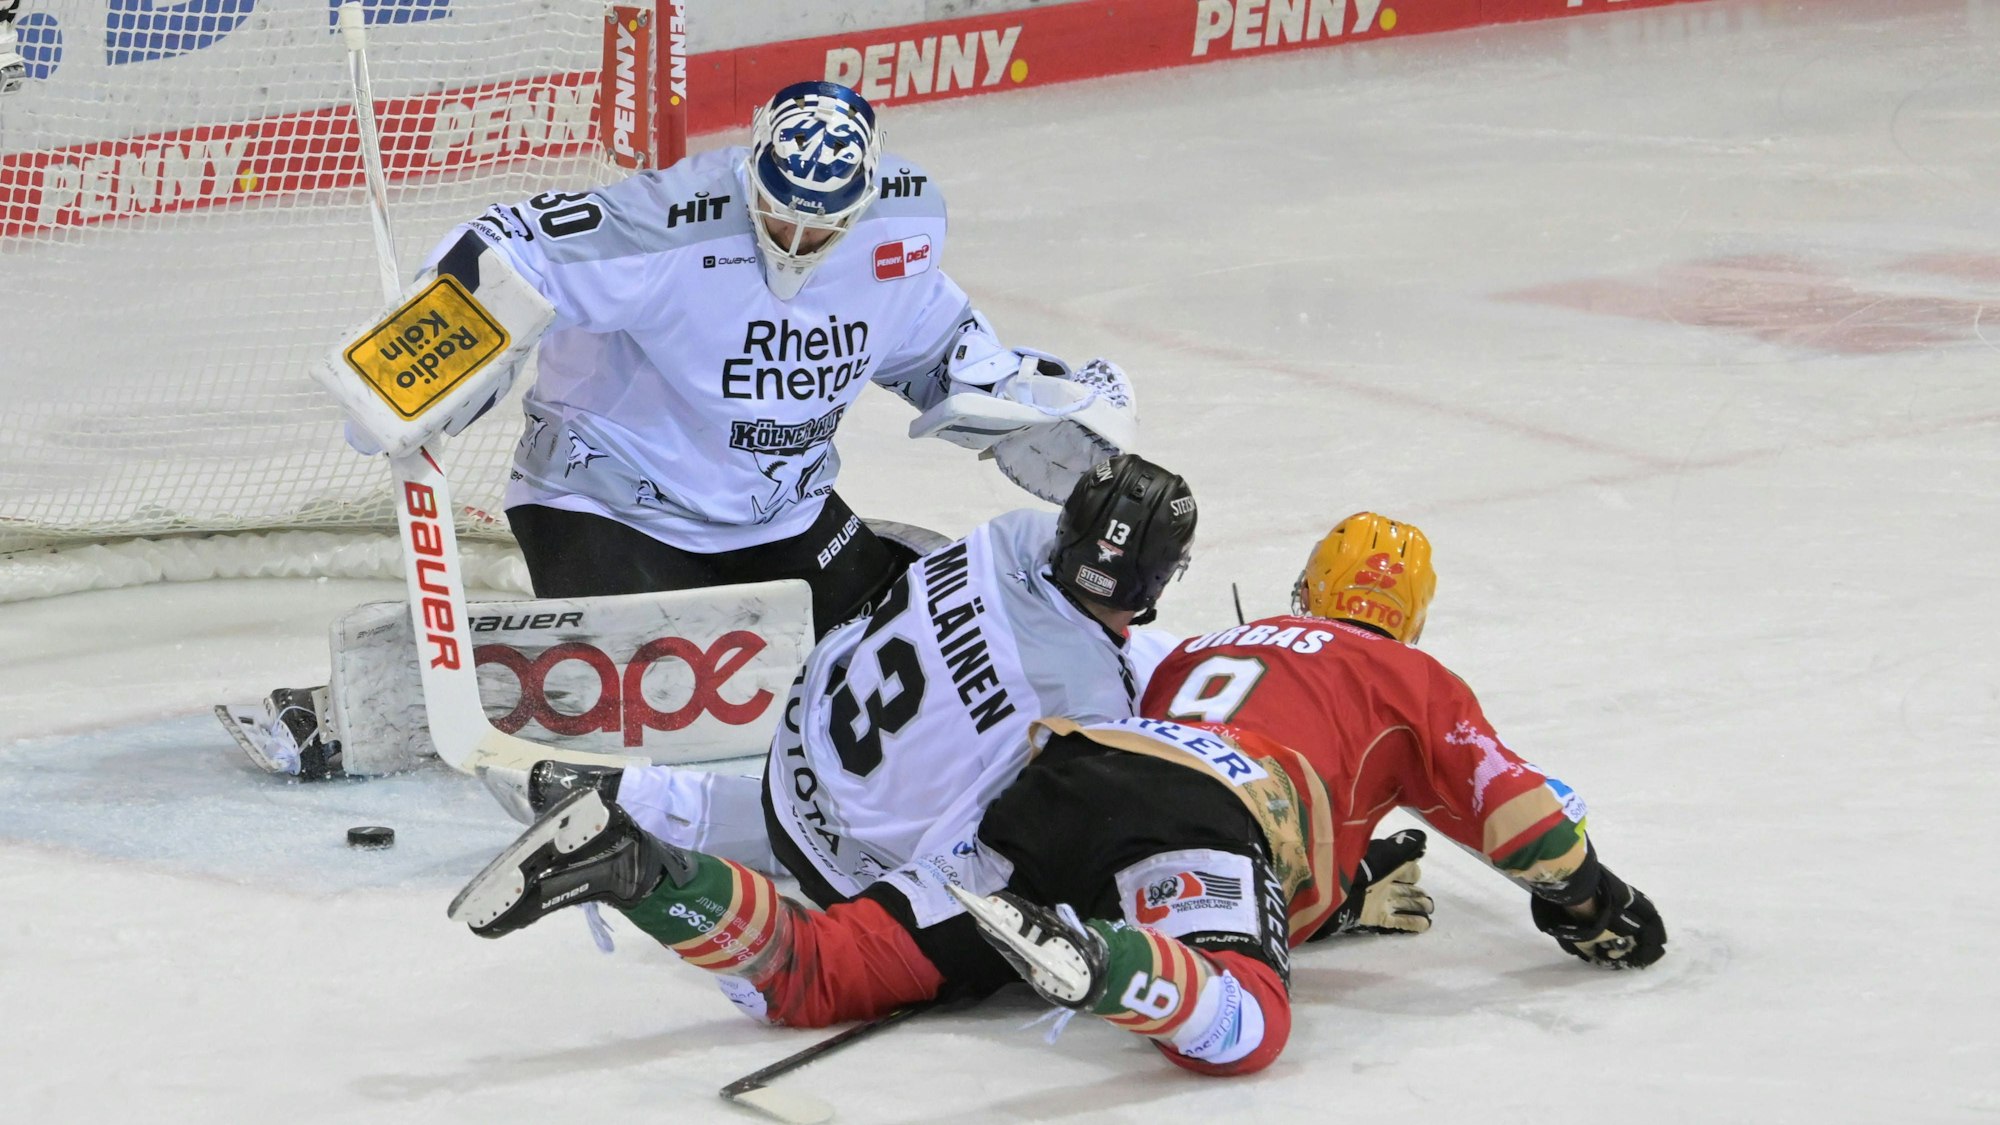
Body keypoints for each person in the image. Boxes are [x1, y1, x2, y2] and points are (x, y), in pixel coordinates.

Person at [449, 508, 1662, 1078]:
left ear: (1296, 582)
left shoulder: (1185, 652)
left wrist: (1332, 898)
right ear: (1409, 620)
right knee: (1245, 1027)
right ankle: (1103, 964)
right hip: (1195, 819)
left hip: (1051, 790)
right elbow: (1521, 817)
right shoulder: (1407, 674)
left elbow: (1161, 776)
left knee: (815, 974)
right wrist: (1586, 901)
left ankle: (633, 866)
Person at [240, 80, 1138, 778]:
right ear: (751, 168)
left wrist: (1016, 399)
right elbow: (507, 245)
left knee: (919, 658)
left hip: (782, 517)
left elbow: (933, 341)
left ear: (860, 205)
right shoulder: (672, 219)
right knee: (637, 689)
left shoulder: (899, 232)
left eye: (818, 224)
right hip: (608, 501)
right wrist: (426, 356)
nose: (791, 236)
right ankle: (360, 701)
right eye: (776, 209)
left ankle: (871, 560)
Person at [476, 452, 1200, 900]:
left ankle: (624, 795)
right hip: (857, 873)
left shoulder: (1011, 534)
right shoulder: (1092, 699)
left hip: (800, 745)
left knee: (902, 756)